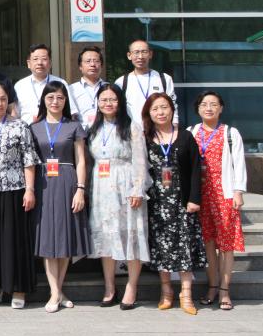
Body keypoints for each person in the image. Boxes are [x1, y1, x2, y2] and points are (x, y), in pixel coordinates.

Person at [0, 83, 40, 309]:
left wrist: (30, 189)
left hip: (14, 189)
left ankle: (18, 289)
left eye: (3, 99)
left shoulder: (20, 126)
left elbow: (29, 160)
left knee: (15, 240)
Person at [86, 83, 150, 310]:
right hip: (101, 188)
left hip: (125, 184)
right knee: (106, 237)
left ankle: (132, 287)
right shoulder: (93, 129)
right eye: (104, 100)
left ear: (120, 102)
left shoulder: (131, 127)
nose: (108, 103)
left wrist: (137, 189)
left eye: (113, 99)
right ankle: (109, 287)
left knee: (131, 234)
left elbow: (140, 160)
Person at [30, 81, 90, 313]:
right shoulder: (34, 127)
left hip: (67, 181)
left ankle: (56, 291)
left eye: (60, 98)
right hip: (43, 183)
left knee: (65, 236)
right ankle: (56, 293)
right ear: (43, 100)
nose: (55, 102)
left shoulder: (74, 126)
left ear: (65, 101)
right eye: (50, 97)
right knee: (48, 238)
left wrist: (81, 189)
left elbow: (81, 160)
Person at [143, 92, 203, 315]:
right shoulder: (145, 138)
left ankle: (186, 295)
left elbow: (196, 169)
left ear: (172, 109)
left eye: (164, 107)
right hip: (156, 204)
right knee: (162, 248)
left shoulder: (185, 136)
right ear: (149, 113)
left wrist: (194, 199)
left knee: (184, 247)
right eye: (155, 109)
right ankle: (166, 291)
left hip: (182, 201)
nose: (160, 112)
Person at [189, 91, 246, 311]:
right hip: (200, 195)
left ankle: (224, 289)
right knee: (208, 243)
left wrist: (238, 191)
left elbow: (239, 163)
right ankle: (212, 286)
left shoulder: (230, 133)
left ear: (221, 108)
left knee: (226, 244)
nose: (209, 108)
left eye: (214, 104)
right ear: (198, 109)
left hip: (224, 194)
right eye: (204, 104)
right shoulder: (191, 132)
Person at [115, 39, 177, 124]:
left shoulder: (164, 79)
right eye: (136, 52)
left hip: (159, 129)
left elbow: (172, 104)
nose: (140, 56)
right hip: (133, 130)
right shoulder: (121, 82)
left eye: (144, 52)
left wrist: (175, 124)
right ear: (129, 55)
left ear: (150, 54)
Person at [14, 44, 78, 124]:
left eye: (44, 59)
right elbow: (15, 114)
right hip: (27, 129)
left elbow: (71, 112)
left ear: (50, 63)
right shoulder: (20, 85)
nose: (40, 63)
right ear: (29, 63)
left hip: (56, 129)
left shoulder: (61, 83)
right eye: (35, 59)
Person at [69, 46, 106, 129]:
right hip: (80, 133)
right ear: (80, 66)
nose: (92, 64)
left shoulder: (109, 88)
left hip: (105, 131)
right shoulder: (71, 89)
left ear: (101, 65)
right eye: (88, 61)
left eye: (96, 61)